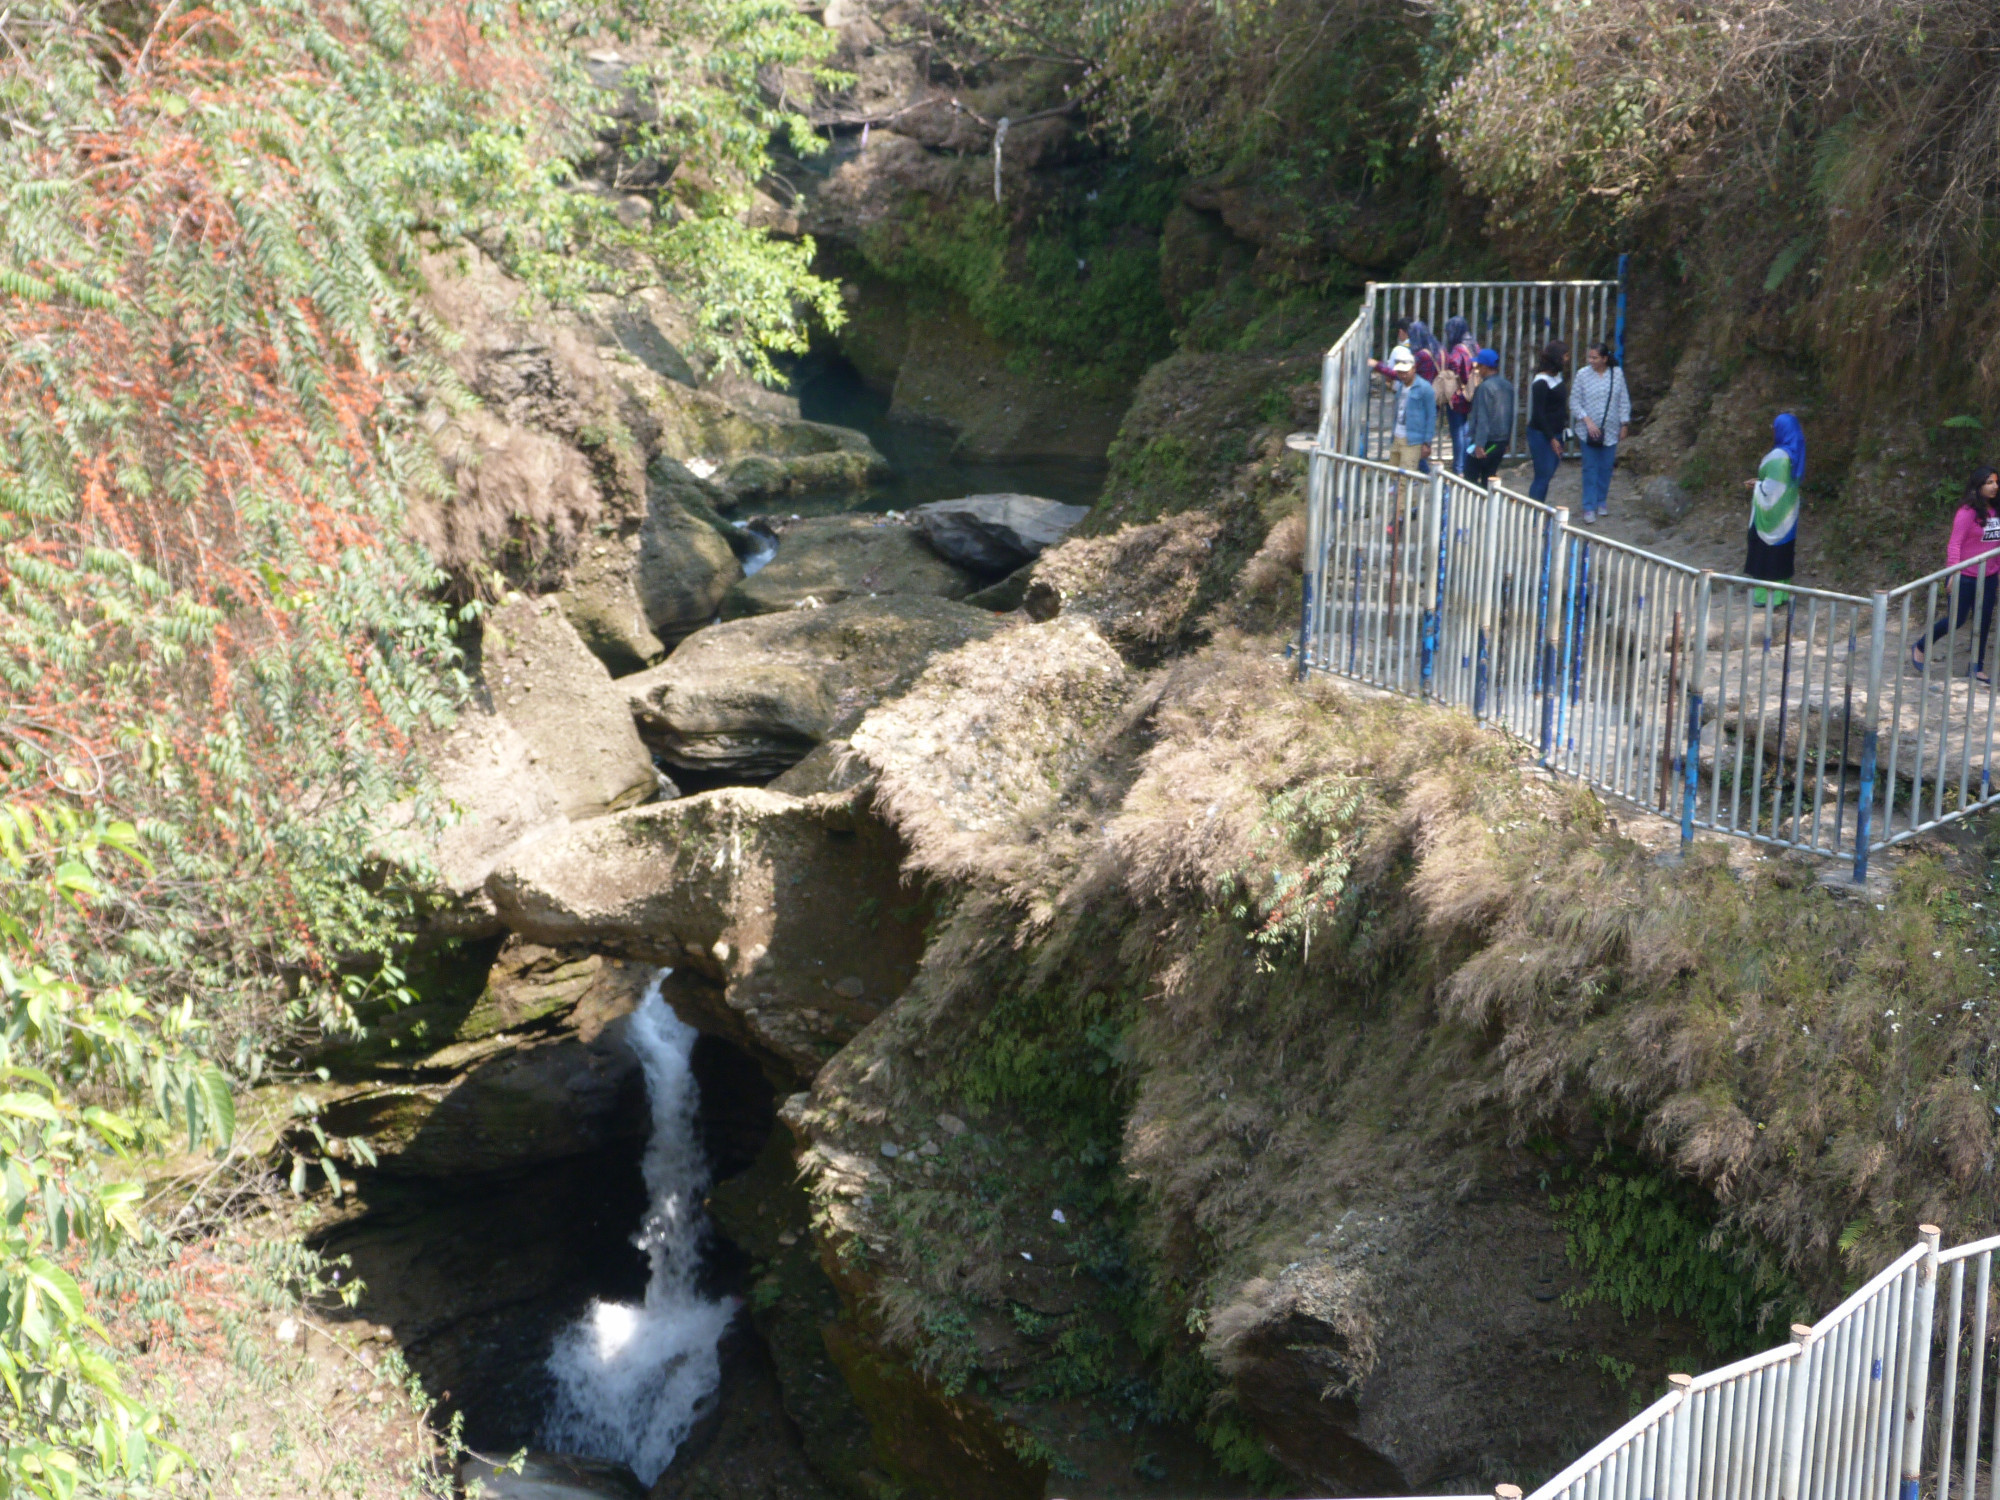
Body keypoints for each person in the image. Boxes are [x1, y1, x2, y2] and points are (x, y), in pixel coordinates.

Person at [1911, 466, 2000, 684]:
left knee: (1984, 620)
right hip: (1965, 575)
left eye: (1996, 482)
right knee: (1956, 620)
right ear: (1978, 486)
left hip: (1989, 576)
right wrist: (1953, 572)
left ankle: (1976, 667)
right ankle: (1921, 646)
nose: (1995, 486)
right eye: (1989, 482)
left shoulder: (1996, 511)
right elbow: (1955, 543)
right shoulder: (1967, 512)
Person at [1743, 413, 1803, 607]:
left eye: (1775, 428)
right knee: (1783, 554)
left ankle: (1763, 597)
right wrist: (1761, 482)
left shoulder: (1778, 456)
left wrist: (1758, 487)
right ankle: (1781, 594)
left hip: (1770, 516)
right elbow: (1782, 485)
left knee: (1764, 554)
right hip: (1788, 514)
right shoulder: (1796, 454)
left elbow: (1772, 490)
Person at [1568, 340, 1630, 523]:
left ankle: (1601, 500)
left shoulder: (1616, 374)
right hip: (1587, 431)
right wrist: (1587, 421)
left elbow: (1623, 400)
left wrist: (1624, 423)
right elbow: (1574, 402)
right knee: (1589, 467)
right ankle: (1588, 506)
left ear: (1604, 358)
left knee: (1606, 467)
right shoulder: (1582, 375)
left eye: (1595, 357)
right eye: (1589, 357)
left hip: (1610, 429)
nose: (1591, 360)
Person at [1461, 348, 1514, 485]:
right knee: (1489, 477)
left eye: (1479, 366)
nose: (1477, 370)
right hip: (1500, 441)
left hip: (1486, 443)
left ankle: (1474, 506)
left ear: (1485, 366)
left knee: (1470, 478)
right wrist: (1508, 439)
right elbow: (1510, 414)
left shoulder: (1484, 388)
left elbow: (1482, 418)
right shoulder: (1508, 386)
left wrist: (1479, 444)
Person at [1525, 342, 1568, 502]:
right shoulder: (1541, 382)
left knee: (1548, 474)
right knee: (1542, 475)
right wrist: (1552, 438)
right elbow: (1538, 413)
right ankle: (1534, 515)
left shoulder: (1557, 376)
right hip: (1542, 435)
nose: (1567, 359)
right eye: (1565, 355)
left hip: (1556, 433)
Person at [1387, 345, 1434, 477]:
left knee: (1405, 479)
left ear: (1414, 369)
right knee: (1392, 476)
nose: (1402, 375)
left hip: (1413, 440)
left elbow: (1431, 416)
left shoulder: (1425, 388)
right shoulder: (1401, 386)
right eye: (1399, 372)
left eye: (1405, 372)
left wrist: (1427, 443)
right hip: (1397, 436)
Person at [1440, 316, 1478, 473]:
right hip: (1471, 393)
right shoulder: (1474, 345)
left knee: (1458, 433)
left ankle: (1459, 467)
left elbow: (1454, 365)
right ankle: (1466, 464)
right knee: (1466, 431)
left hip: (1457, 397)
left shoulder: (1457, 349)